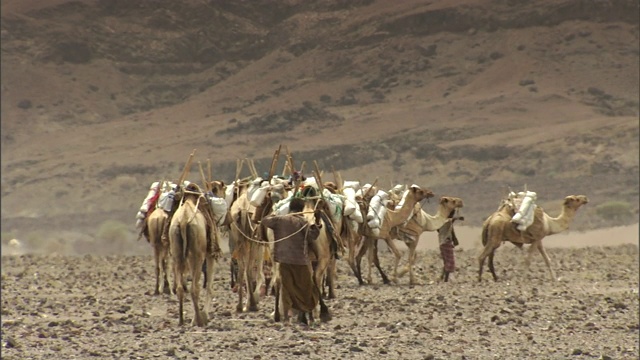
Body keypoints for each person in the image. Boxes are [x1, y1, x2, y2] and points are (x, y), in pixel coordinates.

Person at [260, 197, 323, 325]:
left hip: (283, 260)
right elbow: (313, 237)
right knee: (305, 288)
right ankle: (307, 315)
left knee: (286, 289)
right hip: (300, 261)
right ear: (301, 210)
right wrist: (316, 221)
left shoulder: (280, 220)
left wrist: (274, 213)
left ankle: (287, 319)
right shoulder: (303, 223)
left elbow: (264, 221)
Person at [437, 210, 464, 282]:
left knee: (446, 261)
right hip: (446, 242)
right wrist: (459, 218)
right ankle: (446, 279)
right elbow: (451, 220)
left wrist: (454, 239)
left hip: (442, 243)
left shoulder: (441, 222)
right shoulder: (446, 221)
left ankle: (442, 277)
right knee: (450, 262)